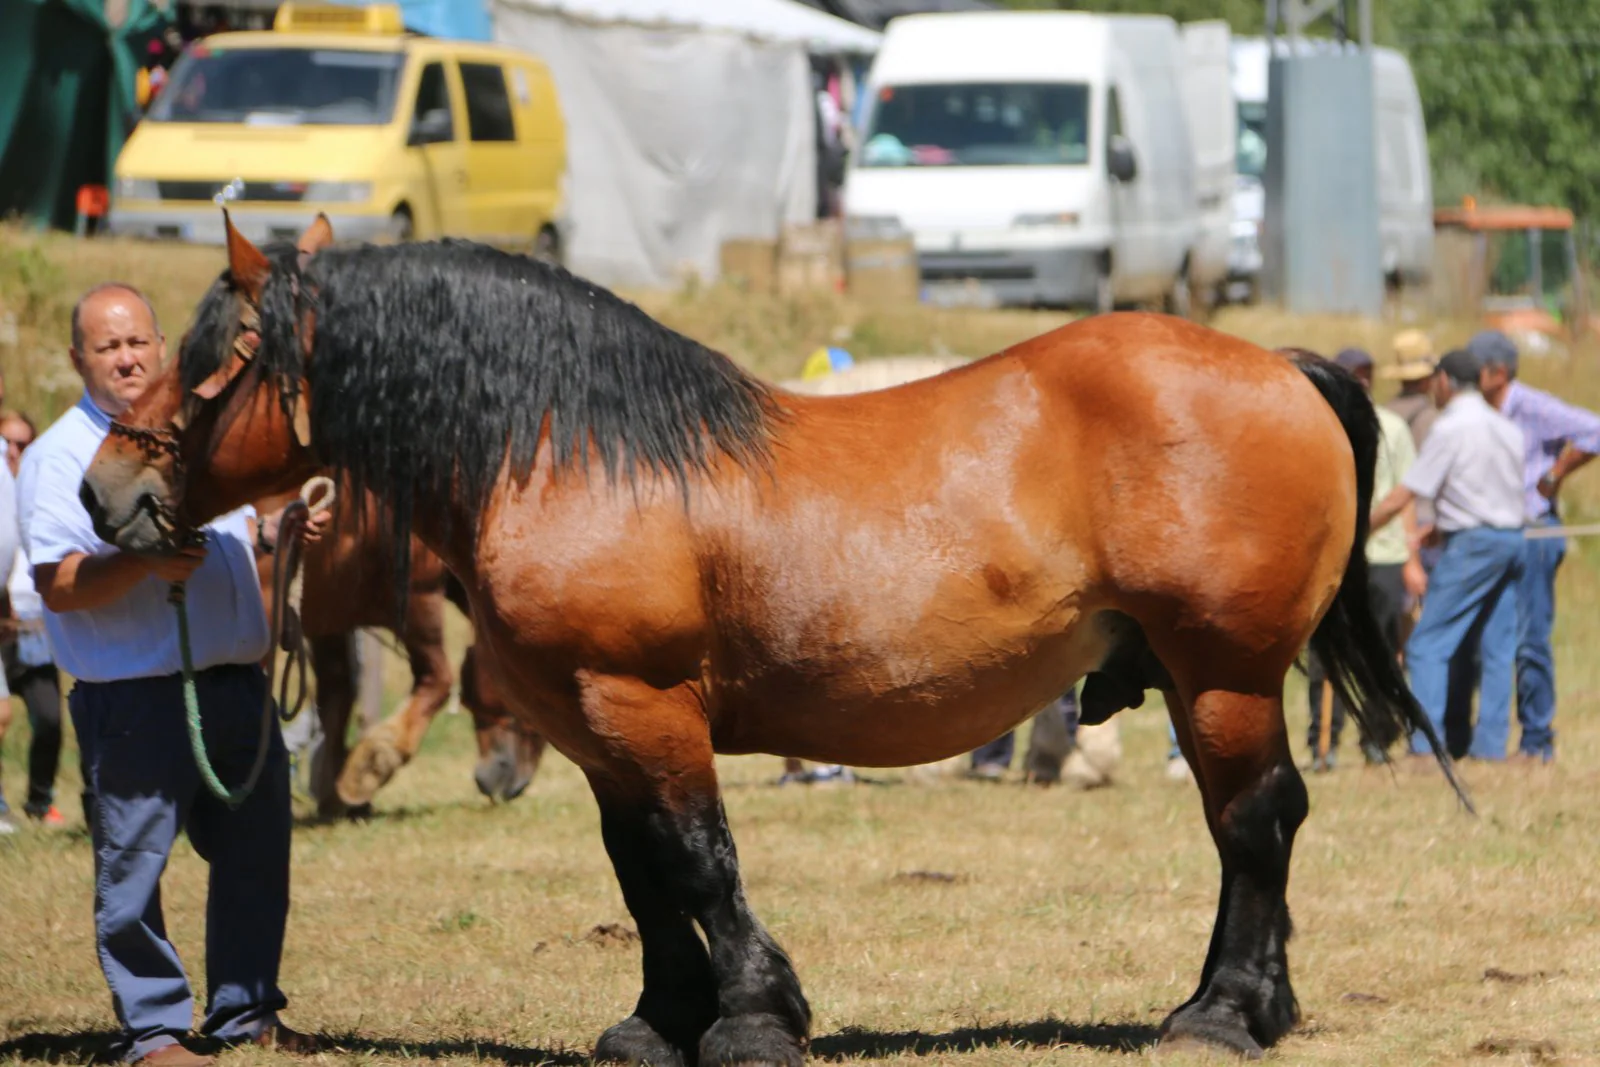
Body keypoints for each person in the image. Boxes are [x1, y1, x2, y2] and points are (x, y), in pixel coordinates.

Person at [18, 283, 324, 1065]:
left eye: (137, 343)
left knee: (259, 855)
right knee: (134, 868)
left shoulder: (191, 433)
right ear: (77, 358)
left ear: (162, 349)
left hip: (234, 685)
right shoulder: (59, 456)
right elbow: (58, 583)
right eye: (107, 346)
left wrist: (280, 528)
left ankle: (246, 1011)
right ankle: (153, 1030)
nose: (126, 357)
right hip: (134, 699)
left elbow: (234, 537)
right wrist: (140, 559)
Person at [1371, 348, 1525, 763]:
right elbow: (1499, 491)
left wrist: (1362, 528)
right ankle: (1491, 747)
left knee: (1425, 644)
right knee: (1496, 646)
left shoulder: (1451, 427)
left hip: (1473, 544)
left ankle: (1425, 747)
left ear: (1445, 382)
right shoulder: (1504, 426)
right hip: (1512, 539)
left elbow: (1408, 490)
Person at [1474, 329, 1600, 765]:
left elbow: (1594, 431)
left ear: (1499, 372)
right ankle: (1487, 739)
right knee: (1492, 639)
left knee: (1531, 640)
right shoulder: (1476, 411)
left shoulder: (1530, 405)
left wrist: (1555, 474)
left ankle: (1537, 740)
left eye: (1477, 368)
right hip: (1496, 534)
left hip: (1535, 533)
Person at [1303, 348, 1420, 770]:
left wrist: (1411, 556)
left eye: (1367, 373)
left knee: (1382, 651)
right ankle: (1322, 743)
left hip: (1383, 556)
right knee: (1323, 657)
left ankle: (1377, 736)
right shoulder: (1316, 429)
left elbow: (1407, 493)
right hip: (1331, 561)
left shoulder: (1392, 428)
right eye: (1354, 374)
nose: (1362, 380)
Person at [0, 408, 66, 827]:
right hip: (1, 624)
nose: (12, 451)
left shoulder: (45, 494)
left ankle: (40, 801)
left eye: (22, 443)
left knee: (50, 720)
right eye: (6, 442)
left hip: (35, 627)